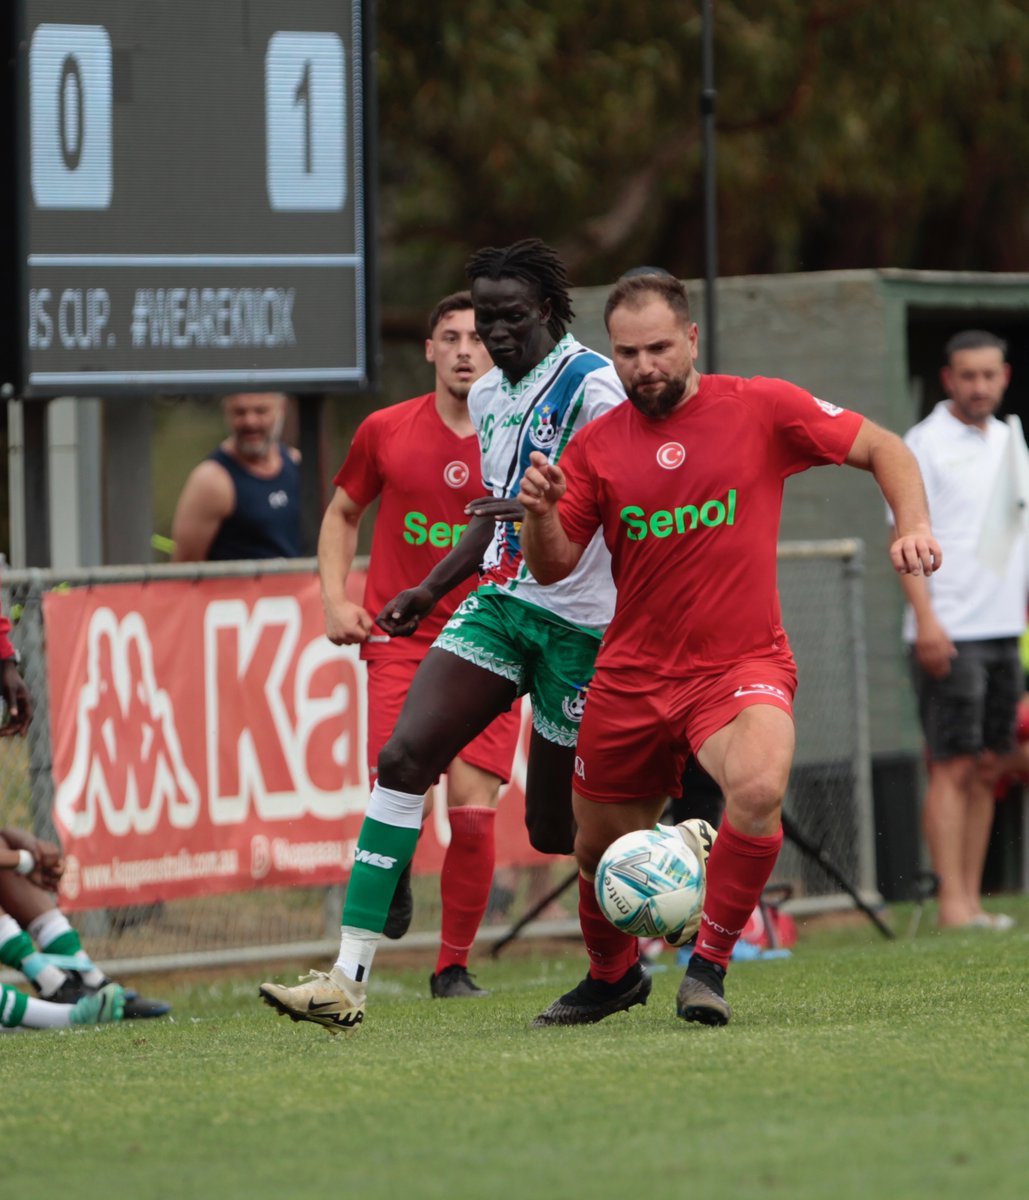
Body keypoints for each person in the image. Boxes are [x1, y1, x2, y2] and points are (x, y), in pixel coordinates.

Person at [515, 272, 941, 1027]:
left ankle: (706, 966)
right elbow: (551, 564)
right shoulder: (595, 447)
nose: (643, 366)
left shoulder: (760, 407)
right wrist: (539, 515)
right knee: (594, 852)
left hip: (738, 666)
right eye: (625, 353)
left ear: (690, 339)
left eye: (656, 348)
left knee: (754, 788)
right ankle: (611, 978)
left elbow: (884, 448)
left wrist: (910, 525)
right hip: (633, 674)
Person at [259, 238, 626, 1034]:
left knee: (558, 829)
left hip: (584, 627)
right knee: (402, 759)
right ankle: (346, 978)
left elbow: (628, 507)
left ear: (549, 312)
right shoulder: (493, 397)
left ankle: (622, 959)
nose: (494, 332)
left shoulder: (596, 387)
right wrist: (428, 589)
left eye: (509, 316)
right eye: (483, 316)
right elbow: (498, 516)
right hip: (500, 605)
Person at [316, 291, 522, 998]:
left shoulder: (518, 434)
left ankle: (453, 967)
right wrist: (335, 598)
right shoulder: (384, 430)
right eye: (450, 336)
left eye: (477, 337)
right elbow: (344, 511)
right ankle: (394, 873)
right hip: (404, 642)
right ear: (429, 350)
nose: (465, 349)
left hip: (494, 638)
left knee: (472, 811)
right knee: (396, 779)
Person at [894, 331, 1022, 930]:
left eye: (989, 375)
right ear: (948, 379)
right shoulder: (922, 444)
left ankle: (971, 902)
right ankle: (951, 905)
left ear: (1005, 376)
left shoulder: (1012, 441)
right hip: (949, 629)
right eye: (967, 376)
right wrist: (927, 620)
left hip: (1002, 631)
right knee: (951, 764)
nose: (979, 386)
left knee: (990, 765)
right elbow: (903, 541)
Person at [170, 392, 301, 561]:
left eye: (261, 411)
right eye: (240, 412)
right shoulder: (212, 480)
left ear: (281, 409)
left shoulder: (296, 463)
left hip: (298, 585)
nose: (250, 422)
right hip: (233, 587)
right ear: (226, 412)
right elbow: (184, 572)